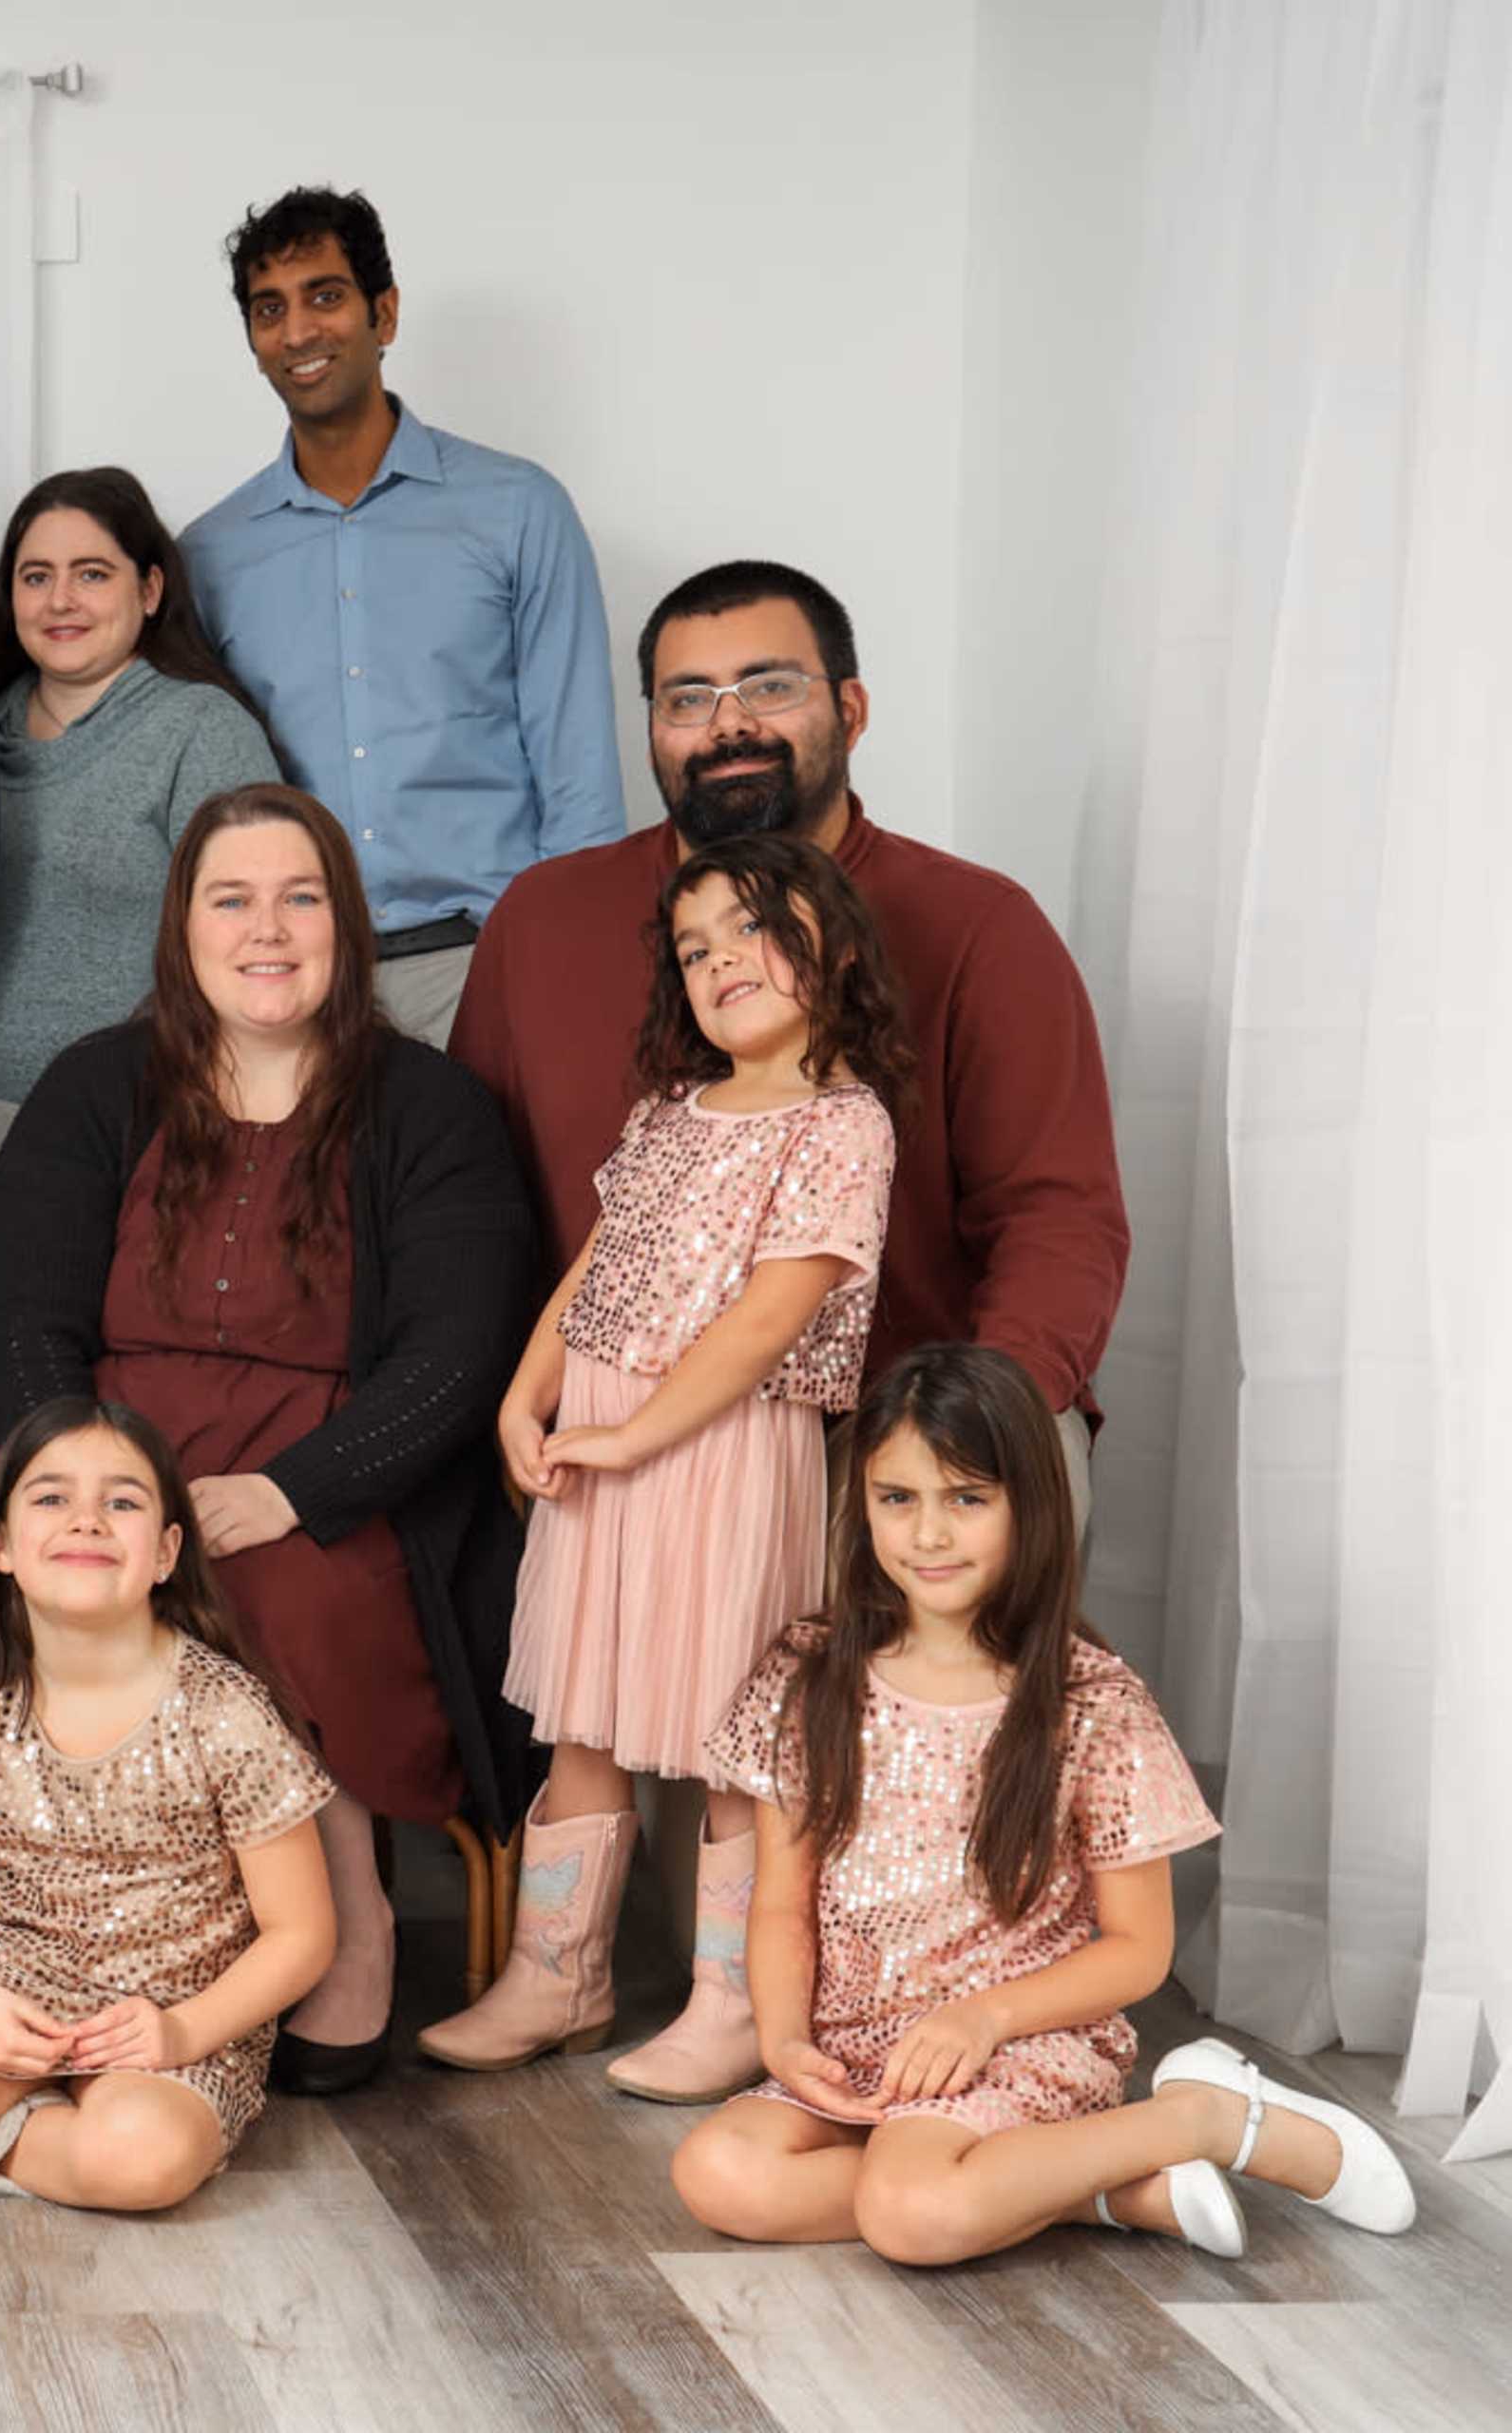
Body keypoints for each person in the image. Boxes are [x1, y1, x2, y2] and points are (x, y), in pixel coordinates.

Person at [0, 785, 533, 2094]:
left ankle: (340, 1923)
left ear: (347, 923)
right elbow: (24, 1309)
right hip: (102, 1441)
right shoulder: (94, 1084)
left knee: (279, 1590)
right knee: (73, 1571)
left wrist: (292, 1490)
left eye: (300, 896)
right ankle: (76, 1940)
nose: (265, 929)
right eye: (232, 897)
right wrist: (89, 1484)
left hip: (339, 1465)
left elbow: (459, 1349)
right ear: (183, 926)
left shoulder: (432, 1106)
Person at [667, 1347, 1416, 2264]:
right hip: (863, 2047)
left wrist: (981, 2019)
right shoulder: (807, 1677)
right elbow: (781, 1905)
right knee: (719, 2174)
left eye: (967, 1499)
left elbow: (1139, 1949)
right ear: (860, 1506)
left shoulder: (1089, 1704)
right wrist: (783, 2038)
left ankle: (1204, 2119)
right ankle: (1099, 2191)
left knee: (910, 2215)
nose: (928, 1535)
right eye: (897, 1499)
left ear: (1032, 1505)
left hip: (1018, 2042)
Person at [449, 561, 1130, 1485]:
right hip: (608, 1428)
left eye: (770, 686)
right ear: (650, 730)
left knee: (1019, 1464)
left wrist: (979, 1411)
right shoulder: (541, 922)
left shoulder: (978, 925)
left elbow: (1057, 1214)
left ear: (850, 710)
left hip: (892, 1425)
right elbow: (478, 1213)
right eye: (688, 698)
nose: (730, 723)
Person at [420, 835, 905, 2096]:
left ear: (835, 947)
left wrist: (642, 1431)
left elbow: (776, 1307)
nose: (721, 960)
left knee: (735, 1731)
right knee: (586, 1708)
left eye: (752, 929)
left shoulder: (842, 1126)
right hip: (604, 1439)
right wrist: (527, 1396)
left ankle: (734, 2003)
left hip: (726, 1449)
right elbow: (598, 1268)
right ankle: (556, 1974)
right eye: (696, 949)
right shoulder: (666, 1116)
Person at [0, 1401, 335, 2211]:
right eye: (51, 1498)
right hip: (12, 1992)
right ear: (4, 1547)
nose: (86, 1519)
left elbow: (303, 1934)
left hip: (172, 2017)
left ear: (165, 1553)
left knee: (141, 2161)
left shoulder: (227, 1713)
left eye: (122, 1502)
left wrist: (183, 2031)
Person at [180, 187, 622, 1049]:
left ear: (384, 313)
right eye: (270, 309)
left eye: (326, 295)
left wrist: (568, 969)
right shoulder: (211, 555)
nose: (299, 331)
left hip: (486, 967)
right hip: (296, 986)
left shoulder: (519, 511)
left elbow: (580, 779)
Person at [0, 468, 283, 1100]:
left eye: (92, 574)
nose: (60, 601)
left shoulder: (204, 732)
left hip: (135, 1125)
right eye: (36, 577)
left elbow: (254, 949)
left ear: (150, 590)